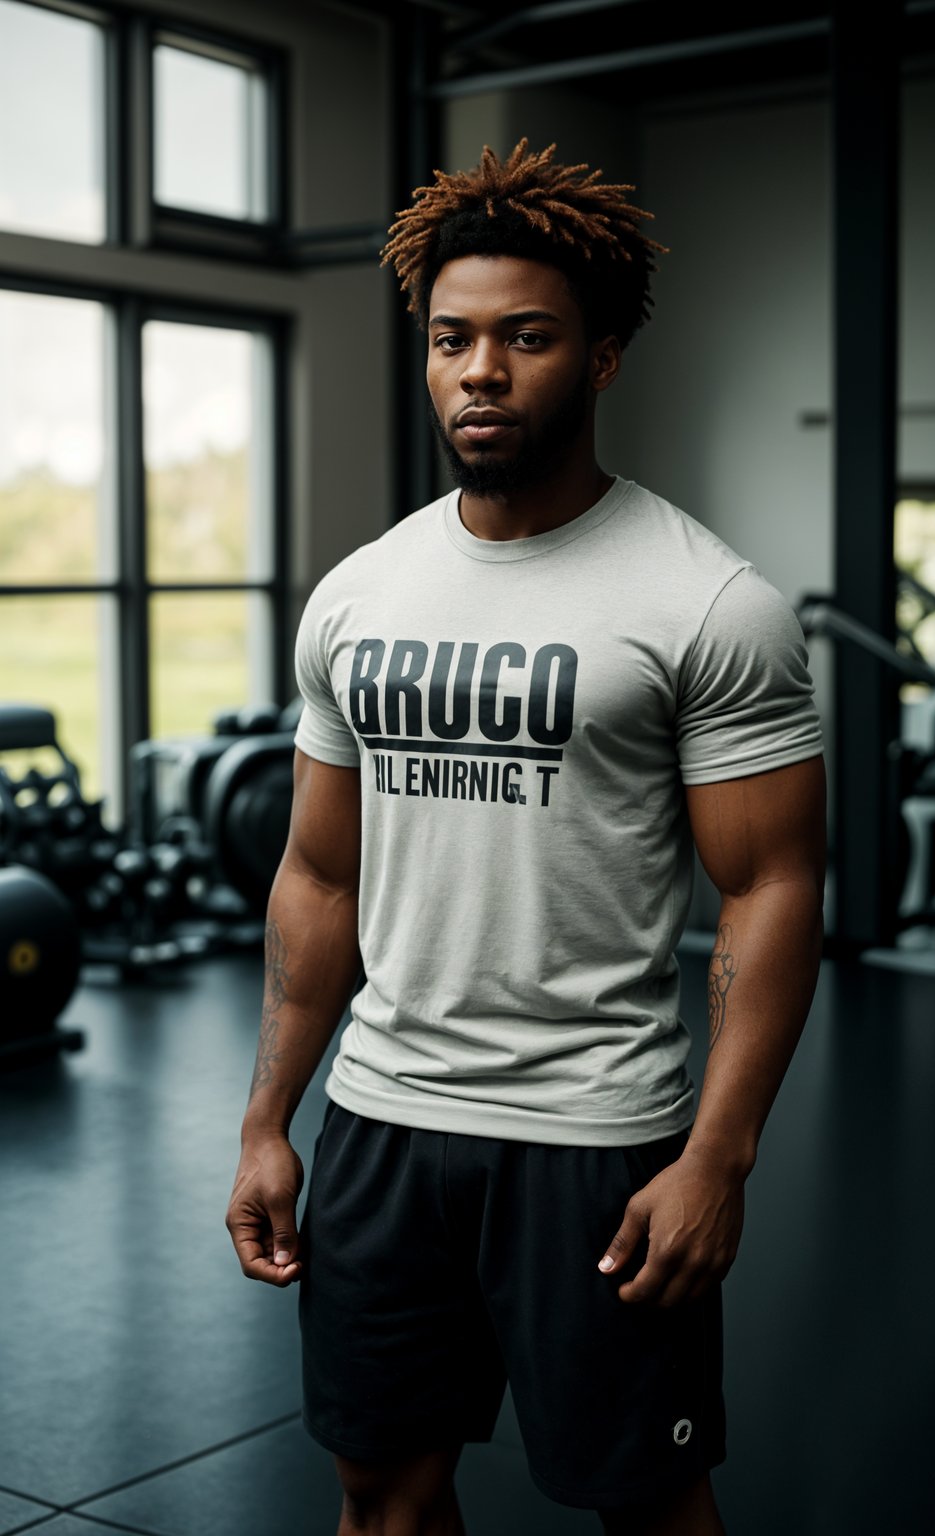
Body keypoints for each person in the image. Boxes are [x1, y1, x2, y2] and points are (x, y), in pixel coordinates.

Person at [226, 138, 826, 1536]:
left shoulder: (706, 602)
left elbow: (773, 885)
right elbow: (320, 873)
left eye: (525, 338)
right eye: (451, 341)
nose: (480, 371)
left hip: (594, 1137)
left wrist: (718, 1155)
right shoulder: (359, 596)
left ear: (602, 359)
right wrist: (268, 1122)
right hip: (380, 1121)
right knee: (380, 1492)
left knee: (648, 1504)